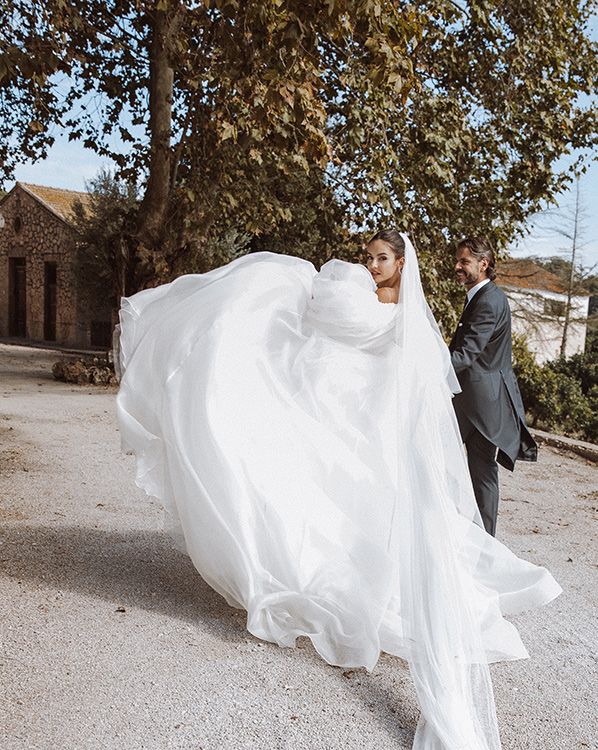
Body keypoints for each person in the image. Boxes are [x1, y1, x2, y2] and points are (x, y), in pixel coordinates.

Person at [116, 232, 560, 750]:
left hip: (381, 419)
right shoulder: (364, 297)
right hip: (360, 412)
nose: (371, 266)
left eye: (381, 259)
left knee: (406, 499)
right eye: (367, 258)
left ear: (400, 264)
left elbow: (425, 357)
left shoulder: (406, 309)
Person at [449, 237, 537, 536]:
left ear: (483, 264)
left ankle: (477, 541)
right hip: (483, 401)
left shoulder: (487, 300)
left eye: (464, 262)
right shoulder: (483, 295)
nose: (457, 266)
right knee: (482, 471)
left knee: (438, 457)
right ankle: (484, 540)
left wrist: (427, 369)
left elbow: (469, 352)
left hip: (475, 403)